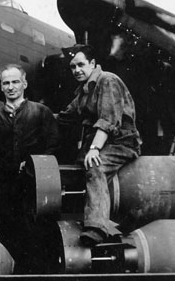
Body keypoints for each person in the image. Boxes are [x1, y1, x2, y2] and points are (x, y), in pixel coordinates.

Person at [57, 44, 141, 247]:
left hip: (121, 142)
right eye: (72, 67)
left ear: (93, 64)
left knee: (95, 166)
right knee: (80, 168)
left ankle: (97, 228)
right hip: (102, 142)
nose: (76, 70)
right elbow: (64, 117)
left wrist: (94, 149)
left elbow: (108, 120)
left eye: (80, 65)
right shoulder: (84, 91)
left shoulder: (108, 81)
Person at [0, 64, 59, 271]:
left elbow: (53, 146)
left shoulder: (41, 113)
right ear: (1, 87)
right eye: (6, 83)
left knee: (39, 240)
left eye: (15, 82)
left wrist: (34, 164)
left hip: (35, 190)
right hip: (5, 192)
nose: (11, 87)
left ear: (24, 84)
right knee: (10, 242)